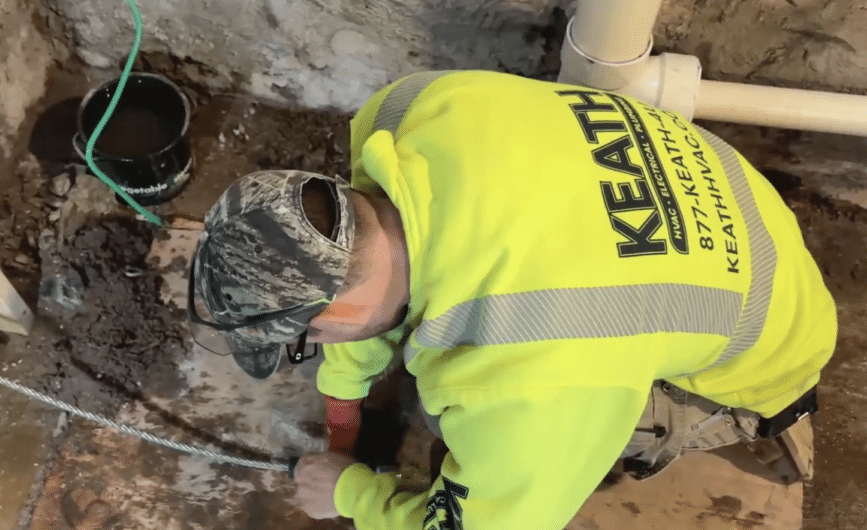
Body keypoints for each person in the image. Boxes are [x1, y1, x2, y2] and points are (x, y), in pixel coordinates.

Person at [186, 70, 837, 529]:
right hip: (741, 219)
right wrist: (344, 384)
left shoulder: (534, 372)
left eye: (307, 342)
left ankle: (749, 429)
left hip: (771, 355)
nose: (311, 352)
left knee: (453, 424)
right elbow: (363, 270)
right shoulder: (408, 111)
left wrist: (351, 493)